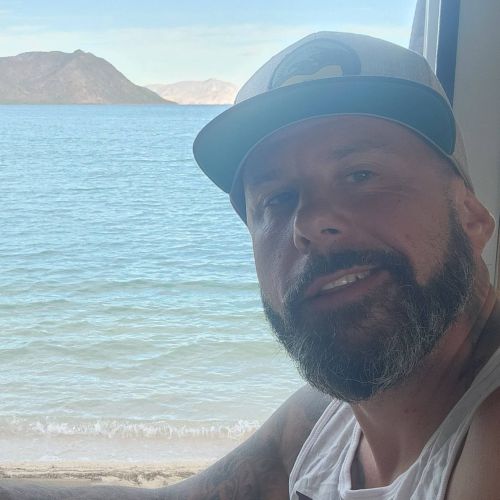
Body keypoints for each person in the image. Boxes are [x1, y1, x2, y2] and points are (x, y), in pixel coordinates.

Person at [2, 32, 499, 500]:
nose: (310, 222)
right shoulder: (324, 423)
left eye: (360, 174)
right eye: (277, 199)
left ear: (471, 216)